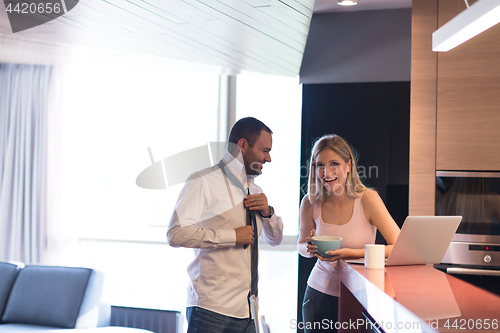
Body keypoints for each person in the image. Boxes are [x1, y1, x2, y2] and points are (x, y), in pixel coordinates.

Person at [167, 117, 283, 333]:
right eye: (265, 150)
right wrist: (232, 236)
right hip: (211, 310)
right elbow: (175, 234)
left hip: (249, 311)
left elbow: (275, 240)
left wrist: (268, 213)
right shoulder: (202, 181)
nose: (269, 158)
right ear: (243, 145)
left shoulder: (255, 190)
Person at [297, 134, 400, 333]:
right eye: (320, 165)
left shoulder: (368, 199)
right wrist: (308, 248)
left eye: (334, 163)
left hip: (360, 295)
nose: (326, 172)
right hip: (317, 294)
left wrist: (349, 253)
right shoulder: (310, 202)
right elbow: (300, 245)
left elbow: (399, 247)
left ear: (349, 165)